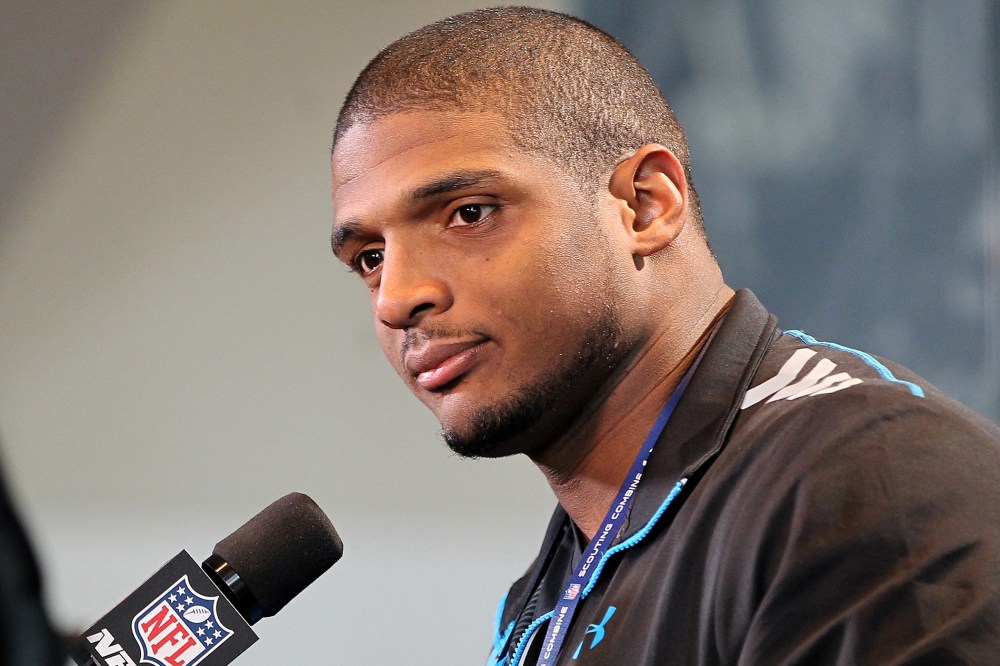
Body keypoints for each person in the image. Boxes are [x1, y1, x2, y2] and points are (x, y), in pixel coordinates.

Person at [329, 7, 1000, 664]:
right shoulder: (549, 591)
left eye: (468, 214)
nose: (397, 299)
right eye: (370, 257)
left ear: (645, 205)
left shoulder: (860, 477)